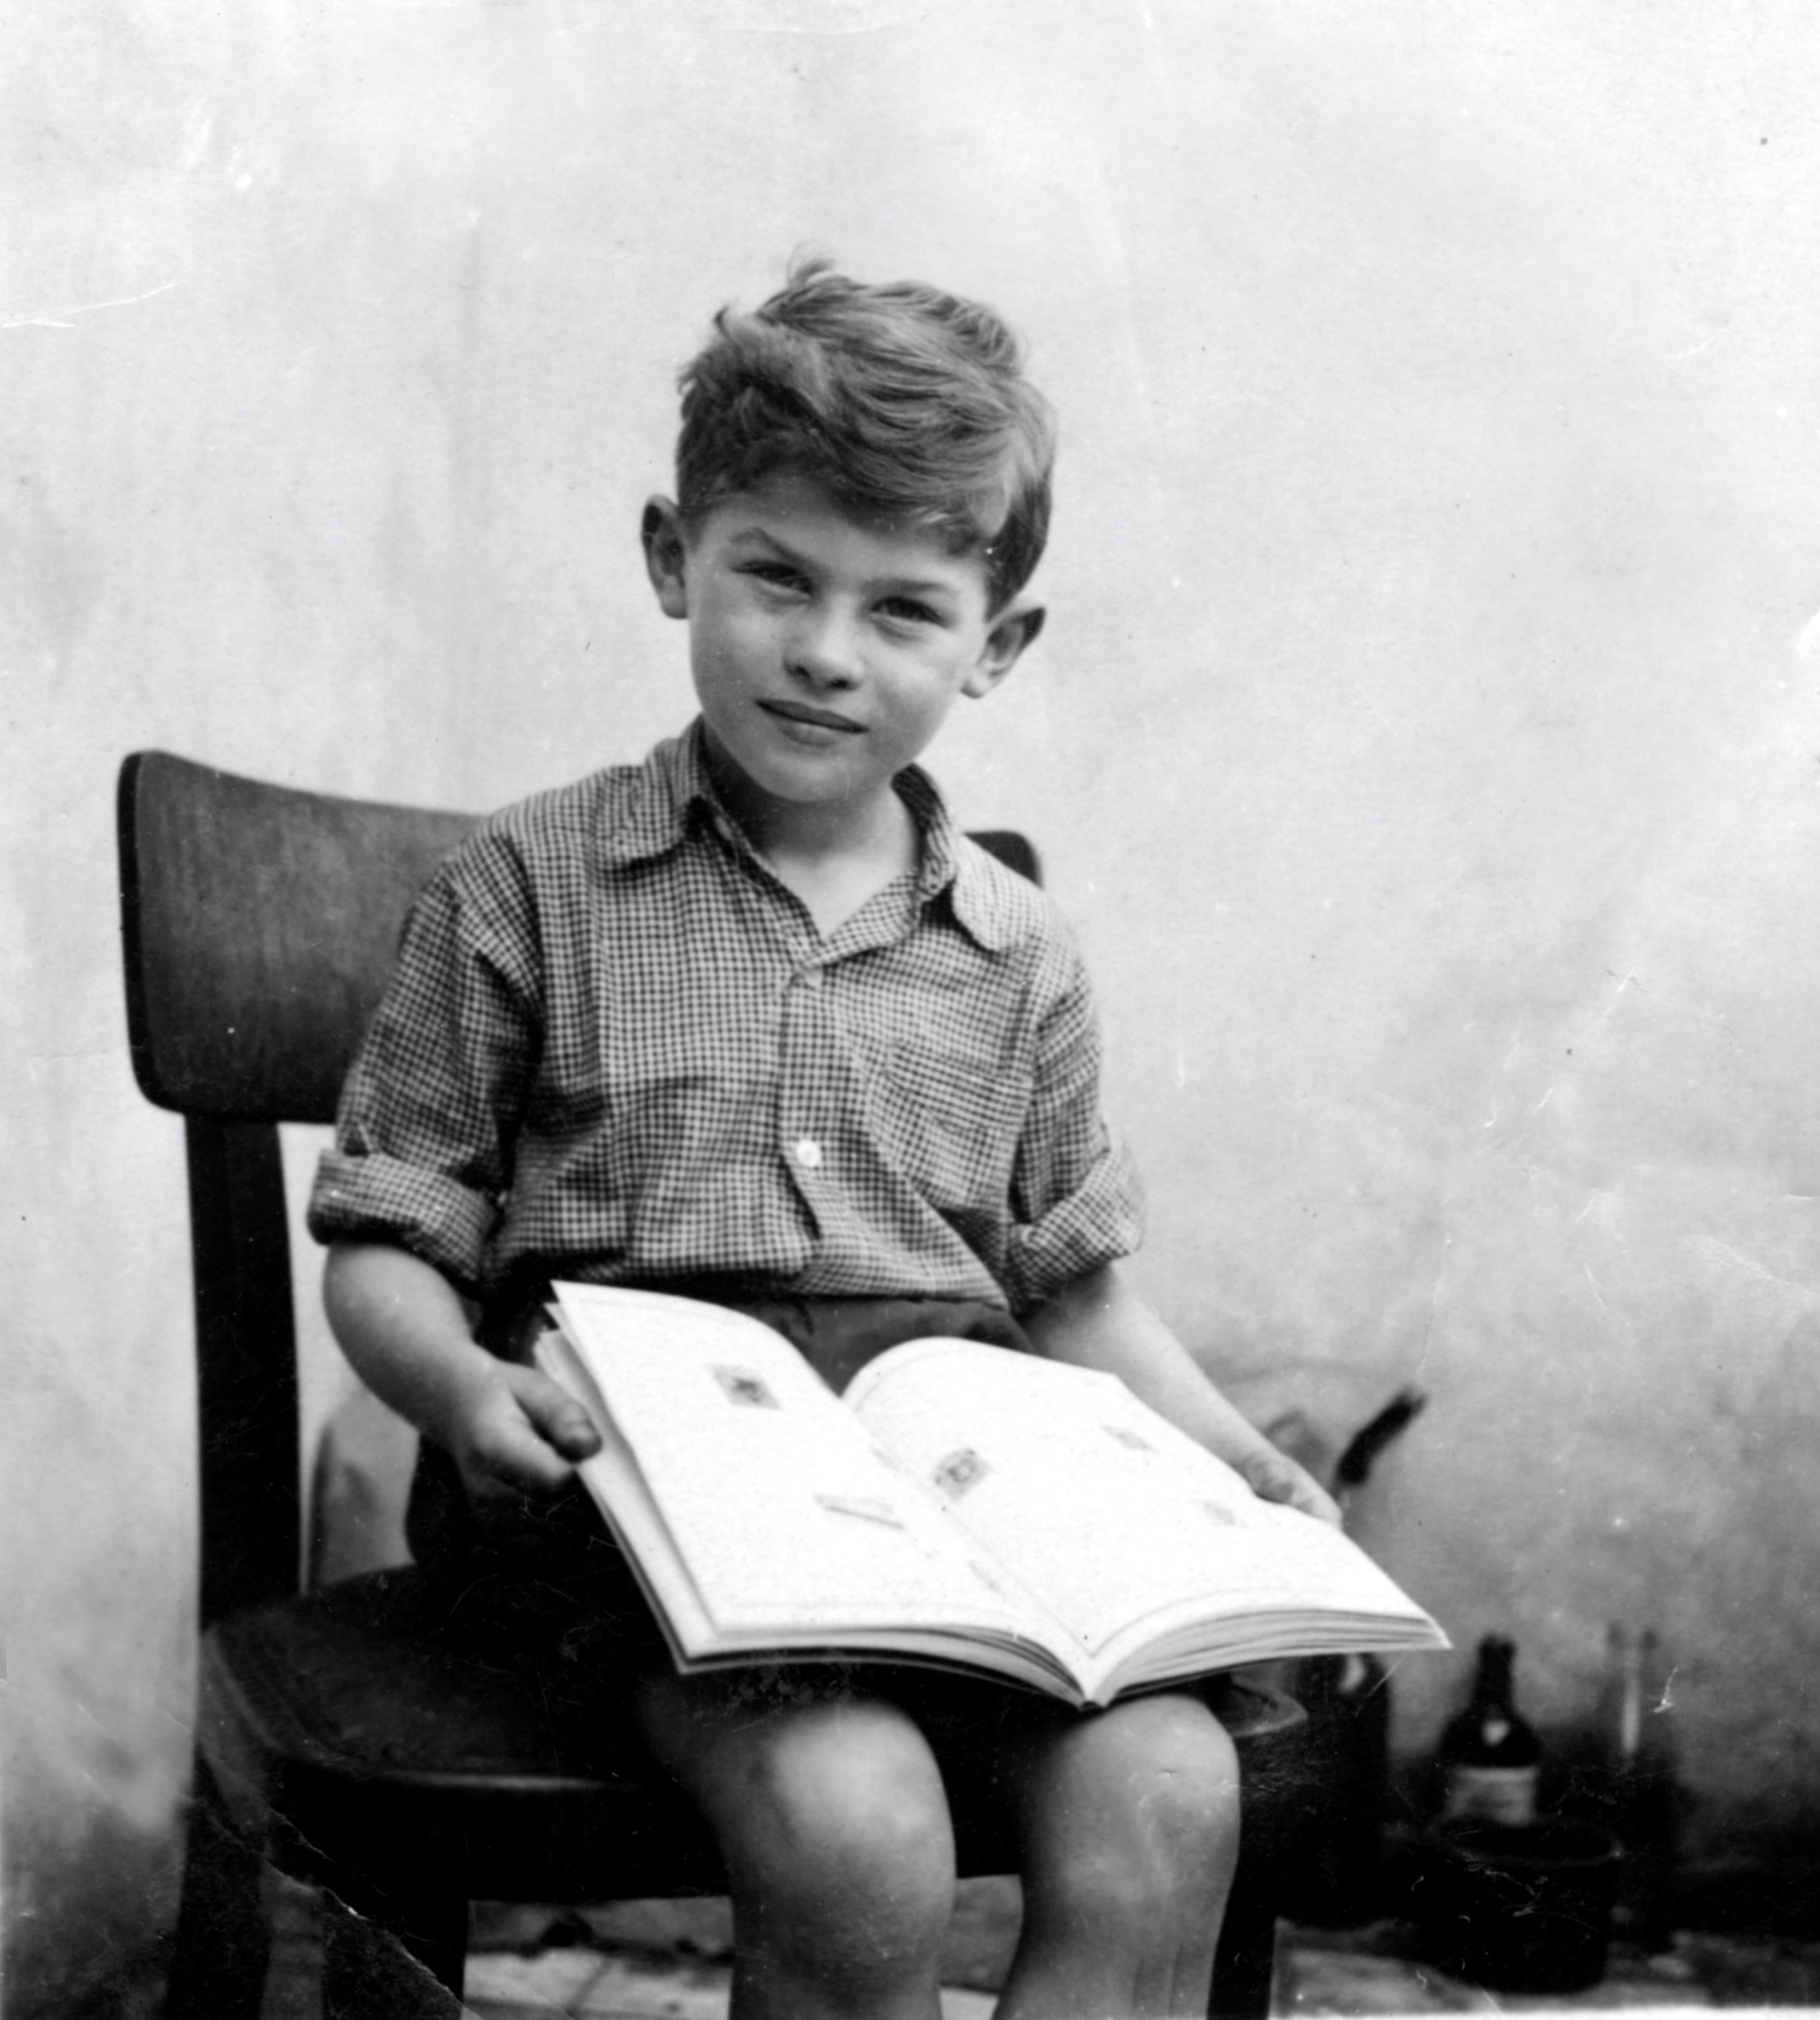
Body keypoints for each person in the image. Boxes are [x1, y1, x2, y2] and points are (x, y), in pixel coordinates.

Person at [307, 257, 1337, 2020]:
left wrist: (1236, 1465)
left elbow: (1074, 1296)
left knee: (1169, 1787)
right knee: (860, 1821)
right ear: (670, 557)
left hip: (946, 1545)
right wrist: (465, 1397)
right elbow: (389, 1239)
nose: (823, 652)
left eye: (903, 609)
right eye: (773, 574)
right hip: (628, 1544)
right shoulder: (528, 888)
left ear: (993, 646)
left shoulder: (1016, 953)